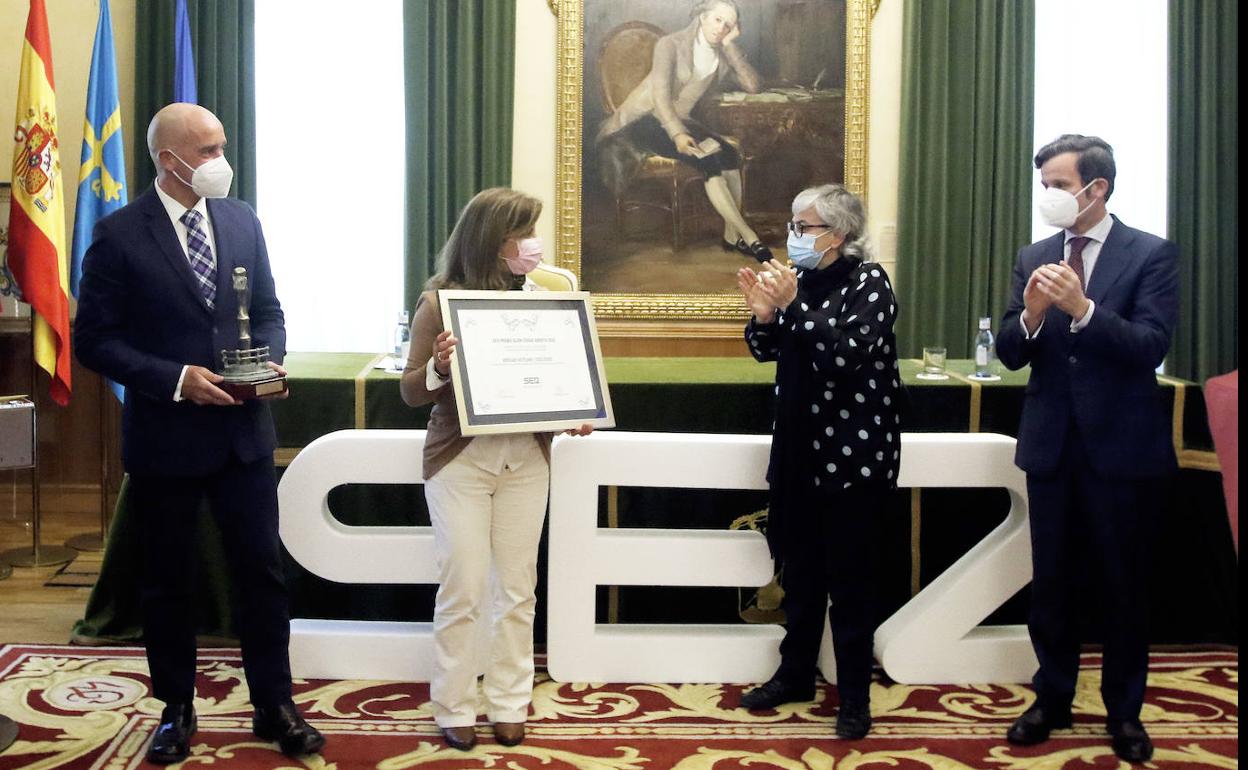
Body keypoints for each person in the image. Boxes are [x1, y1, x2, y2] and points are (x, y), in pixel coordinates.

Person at [74, 103, 324, 764]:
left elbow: (267, 310)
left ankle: (275, 704)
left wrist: (268, 360)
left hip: (244, 432)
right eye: (208, 149)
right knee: (169, 580)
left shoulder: (242, 220)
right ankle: (176, 708)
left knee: (261, 575)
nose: (221, 158)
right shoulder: (119, 234)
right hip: (168, 436)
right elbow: (94, 341)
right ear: (170, 160)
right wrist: (177, 378)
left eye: (220, 145)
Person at [997, 135, 1178, 764]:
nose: (1047, 195)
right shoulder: (1035, 254)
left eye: (1057, 184)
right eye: (1042, 183)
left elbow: (1149, 345)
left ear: (1095, 188)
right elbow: (1012, 352)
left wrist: (1083, 309)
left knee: (1123, 587)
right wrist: (1030, 315)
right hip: (1052, 447)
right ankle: (1052, 699)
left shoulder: (1151, 254)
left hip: (1122, 451)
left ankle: (1123, 713)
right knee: (1052, 584)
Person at [400, 187, 592, 751]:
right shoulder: (439, 302)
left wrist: (572, 408)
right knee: (461, 587)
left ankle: (510, 701)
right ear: (493, 239)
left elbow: (557, 376)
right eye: (523, 233)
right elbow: (411, 392)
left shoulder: (548, 296)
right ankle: (454, 703)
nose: (533, 244)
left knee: (517, 588)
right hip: (460, 461)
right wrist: (437, 366)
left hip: (527, 458)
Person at [735, 184, 901, 738]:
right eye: (793, 224)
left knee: (851, 583)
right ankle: (795, 674)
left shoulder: (870, 282)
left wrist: (788, 307)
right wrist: (763, 317)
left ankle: (854, 695)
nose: (793, 235)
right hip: (799, 451)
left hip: (853, 457)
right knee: (800, 576)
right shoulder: (799, 282)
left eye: (804, 227)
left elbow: (845, 354)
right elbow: (771, 349)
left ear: (840, 234)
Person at [597, 0, 772, 261]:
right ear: (702, 17)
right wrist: (678, 134)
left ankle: (730, 237)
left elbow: (753, 85)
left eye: (729, 25)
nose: (721, 28)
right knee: (708, 160)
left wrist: (730, 45)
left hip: (679, 119)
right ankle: (749, 236)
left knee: (729, 156)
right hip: (644, 121)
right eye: (717, 19)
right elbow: (660, 97)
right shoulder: (670, 44)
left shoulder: (722, 51)